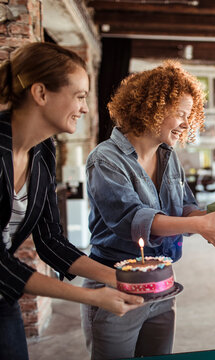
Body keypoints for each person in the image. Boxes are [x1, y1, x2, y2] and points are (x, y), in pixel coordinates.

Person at [82, 60, 215, 360]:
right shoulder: (105, 159)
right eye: (181, 115)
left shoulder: (167, 155)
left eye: (190, 116)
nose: (187, 124)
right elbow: (131, 220)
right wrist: (199, 226)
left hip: (163, 283)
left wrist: (214, 222)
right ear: (152, 109)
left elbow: (184, 207)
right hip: (114, 280)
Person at [0, 42, 143, 360]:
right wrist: (92, 297)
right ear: (40, 93)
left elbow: (50, 241)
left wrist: (119, 277)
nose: (86, 108)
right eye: (79, 96)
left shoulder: (43, 149)